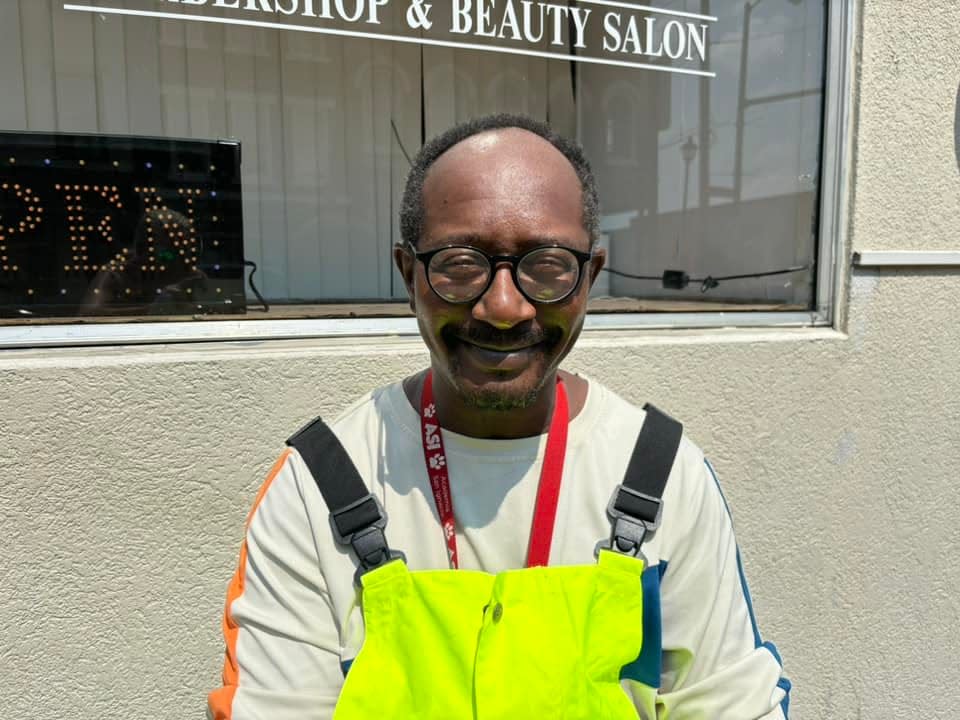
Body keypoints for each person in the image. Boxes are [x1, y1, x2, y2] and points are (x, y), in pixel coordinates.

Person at [207, 113, 791, 719]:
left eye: (548, 265)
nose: (506, 306)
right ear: (410, 276)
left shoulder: (664, 474)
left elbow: (726, 703)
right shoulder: (317, 486)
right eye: (460, 264)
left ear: (589, 277)